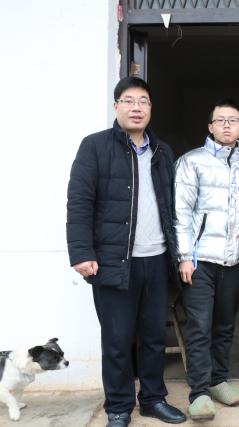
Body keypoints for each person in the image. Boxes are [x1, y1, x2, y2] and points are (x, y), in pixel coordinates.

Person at [66, 76, 186, 427]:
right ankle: (118, 407)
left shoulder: (162, 152)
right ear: (116, 106)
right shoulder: (95, 146)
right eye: (129, 101)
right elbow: (79, 202)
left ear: (151, 109)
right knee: (118, 340)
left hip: (157, 259)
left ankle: (153, 399)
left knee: (153, 337)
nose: (137, 108)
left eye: (143, 101)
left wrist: (179, 255)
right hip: (113, 261)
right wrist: (81, 252)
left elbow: (172, 207)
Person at [174, 100, 239, 420]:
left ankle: (219, 380)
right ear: (210, 127)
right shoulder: (191, 161)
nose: (226, 125)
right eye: (220, 120)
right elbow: (180, 212)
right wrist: (184, 256)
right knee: (199, 326)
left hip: (234, 260)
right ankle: (199, 393)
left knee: (224, 325)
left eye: (232, 120)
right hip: (200, 259)